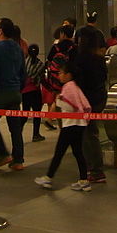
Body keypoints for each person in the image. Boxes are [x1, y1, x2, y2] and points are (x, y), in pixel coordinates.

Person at [34, 61, 91, 191]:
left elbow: (70, 106)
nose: (59, 75)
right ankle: (84, 180)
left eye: (61, 73)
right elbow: (84, 105)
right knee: (77, 152)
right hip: (79, 124)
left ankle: (48, 178)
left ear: (68, 75)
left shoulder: (68, 87)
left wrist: (59, 101)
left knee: (59, 152)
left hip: (70, 125)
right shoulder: (75, 86)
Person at [0, 17, 26, 170]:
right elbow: (23, 72)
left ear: (0, 31)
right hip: (15, 92)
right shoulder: (17, 48)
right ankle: (18, 160)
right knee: (15, 127)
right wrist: (18, 88)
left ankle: (3, 154)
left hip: (0, 94)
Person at [70, 25, 108, 184]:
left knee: (88, 135)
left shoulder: (81, 58)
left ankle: (96, 170)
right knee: (90, 133)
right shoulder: (99, 59)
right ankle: (92, 167)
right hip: (98, 99)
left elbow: (78, 81)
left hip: (85, 101)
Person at [43, 24, 76, 131]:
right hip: (68, 77)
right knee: (63, 98)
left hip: (56, 77)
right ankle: (61, 122)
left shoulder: (56, 47)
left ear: (62, 34)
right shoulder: (74, 47)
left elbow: (49, 60)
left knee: (58, 97)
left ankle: (53, 119)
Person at [22, 44, 45, 143]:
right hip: (35, 91)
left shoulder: (24, 62)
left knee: (25, 113)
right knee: (37, 113)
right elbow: (42, 79)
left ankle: (18, 131)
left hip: (25, 91)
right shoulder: (40, 64)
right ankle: (36, 134)